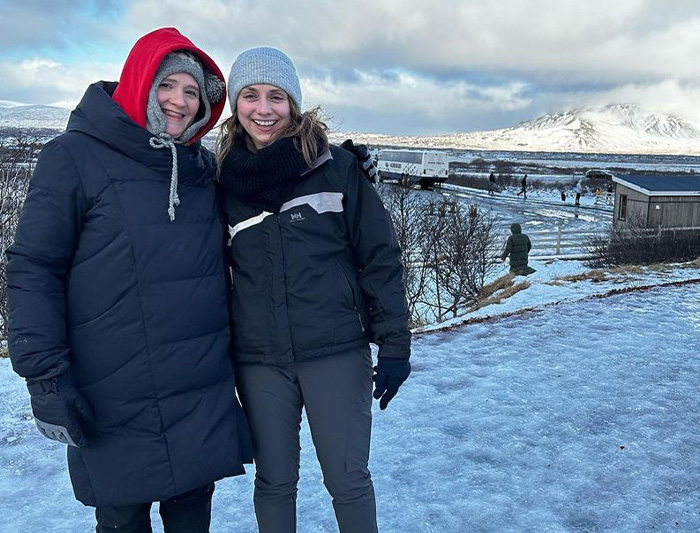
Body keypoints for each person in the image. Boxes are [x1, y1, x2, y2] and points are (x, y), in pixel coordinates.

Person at [6, 27, 253, 532]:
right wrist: (46, 379)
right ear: (140, 82)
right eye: (168, 86)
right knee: (122, 520)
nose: (180, 101)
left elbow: (268, 198)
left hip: (196, 388)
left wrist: (338, 169)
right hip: (113, 395)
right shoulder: (74, 157)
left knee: (192, 517)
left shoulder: (201, 167)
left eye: (192, 91)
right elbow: (34, 268)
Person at [216, 47, 411, 533]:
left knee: (348, 480)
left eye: (276, 96)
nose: (264, 109)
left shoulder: (337, 167)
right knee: (274, 481)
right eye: (250, 95)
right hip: (260, 359)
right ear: (236, 105)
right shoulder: (220, 181)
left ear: (294, 103)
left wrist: (394, 344)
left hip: (335, 350)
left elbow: (379, 257)